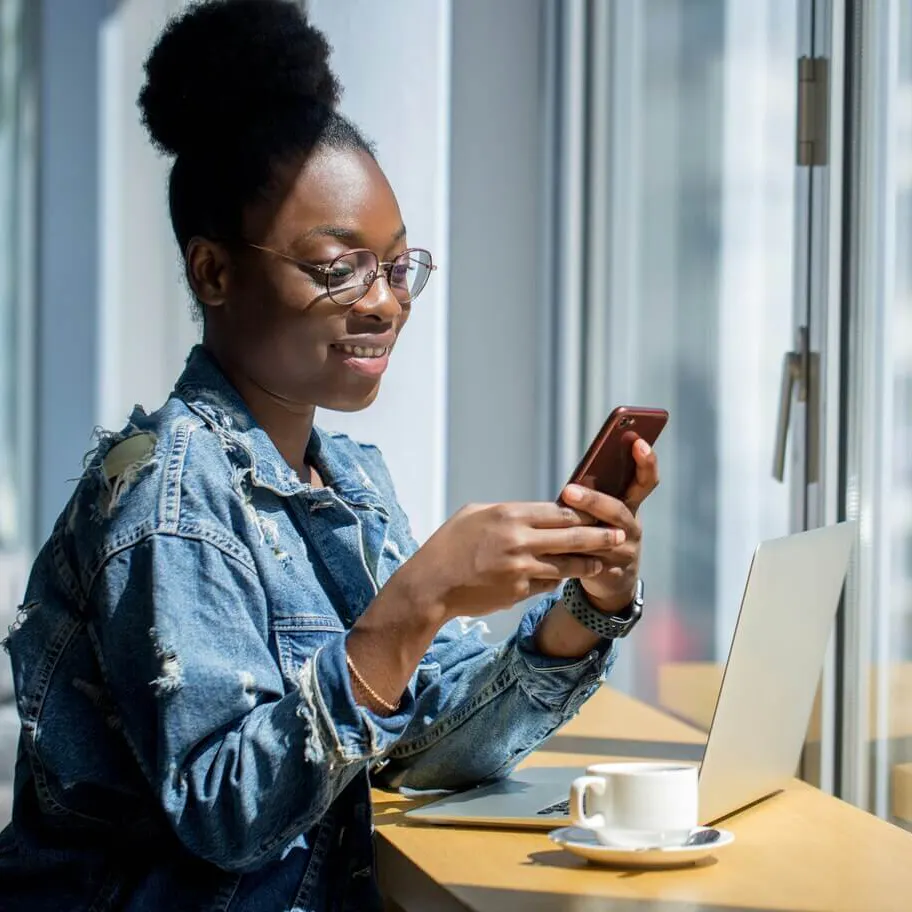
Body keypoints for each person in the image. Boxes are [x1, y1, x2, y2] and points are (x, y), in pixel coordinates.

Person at [0, 2, 659, 909]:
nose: (385, 303)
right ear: (214, 273)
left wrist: (585, 608)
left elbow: (430, 750)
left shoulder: (346, 478)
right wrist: (417, 599)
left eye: (396, 266)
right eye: (337, 266)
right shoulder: (167, 501)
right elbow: (227, 814)